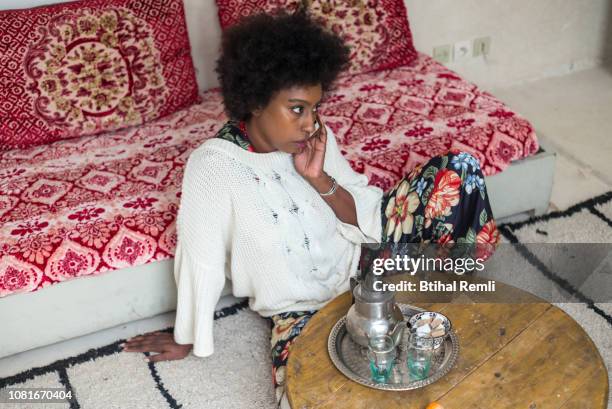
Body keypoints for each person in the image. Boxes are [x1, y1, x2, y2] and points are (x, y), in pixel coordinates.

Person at [121, 10, 500, 408]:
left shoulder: (317, 137)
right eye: (297, 109)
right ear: (254, 100)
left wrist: (319, 179)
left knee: (460, 171)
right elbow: (202, 260)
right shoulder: (212, 167)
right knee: (313, 397)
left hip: (366, 266)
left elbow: (364, 212)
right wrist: (187, 336)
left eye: (315, 108)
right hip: (300, 313)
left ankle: (451, 296)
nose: (310, 123)